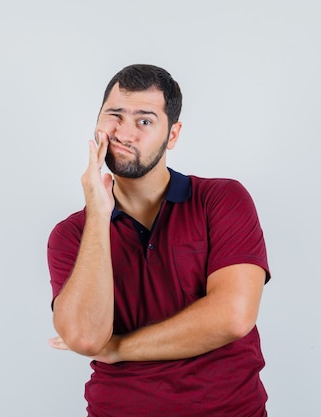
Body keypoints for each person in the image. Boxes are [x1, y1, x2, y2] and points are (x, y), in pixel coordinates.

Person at [47, 64, 271, 417]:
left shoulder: (222, 199)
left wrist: (119, 347)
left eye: (145, 121)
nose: (124, 133)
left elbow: (233, 316)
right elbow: (87, 338)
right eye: (114, 116)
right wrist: (98, 215)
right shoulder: (72, 234)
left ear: (173, 134)